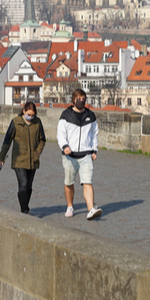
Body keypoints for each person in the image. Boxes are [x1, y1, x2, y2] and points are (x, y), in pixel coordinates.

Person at [57, 89, 101, 220]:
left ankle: (90, 209)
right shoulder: (66, 115)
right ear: (73, 100)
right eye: (78, 99)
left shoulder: (91, 116)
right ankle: (70, 206)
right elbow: (60, 133)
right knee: (69, 182)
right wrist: (65, 146)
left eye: (83, 99)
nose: (81, 101)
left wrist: (94, 150)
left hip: (86, 154)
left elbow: (94, 134)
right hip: (70, 155)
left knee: (87, 181)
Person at [0, 102, 46, 214]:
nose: (31, 117)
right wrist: (1, 158)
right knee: (23, 184)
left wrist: (37, 152)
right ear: (24, 111)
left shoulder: (37, 122)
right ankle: (24, 209)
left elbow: (42, 139)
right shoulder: (15, 122)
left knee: (29, 186)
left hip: (33, 160)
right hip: (19, 159)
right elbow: (7, 141)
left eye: (33, 115)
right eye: (29, 115)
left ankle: (25, 207)